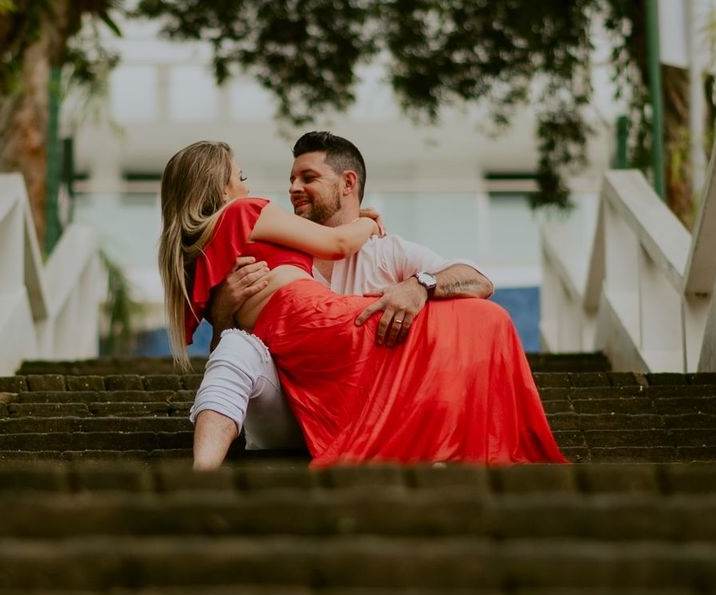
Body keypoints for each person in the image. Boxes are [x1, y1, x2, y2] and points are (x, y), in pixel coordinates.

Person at [156, 139, 566, 468]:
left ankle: (430, 445)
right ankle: (470, 447)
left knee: (473, 314)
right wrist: (369, 220)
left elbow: (478, 279)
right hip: (307, 347)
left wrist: (419, 286)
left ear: (347, 182)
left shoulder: (203, 252)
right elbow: (337, 244)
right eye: (240, 177)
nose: (286, 189)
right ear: (221, 187)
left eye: (308, 177)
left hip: (306, 347)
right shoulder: (246, 213)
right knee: (484, 320)